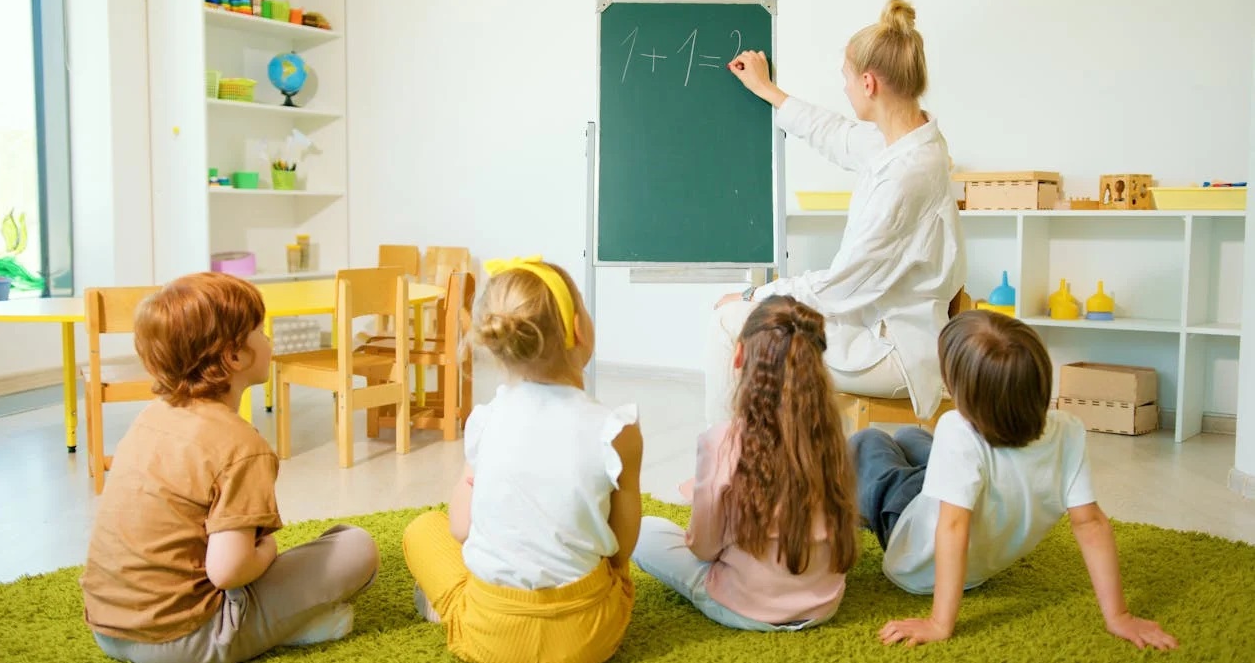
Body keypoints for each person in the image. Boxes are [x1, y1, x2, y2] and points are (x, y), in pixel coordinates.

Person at [81, 272, 379, 663]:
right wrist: (268, 547)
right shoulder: (241, 445)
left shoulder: (150, 417)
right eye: (261, 330)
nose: (268, 339)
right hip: (183, 640)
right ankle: (283, 630)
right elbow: (229, 570)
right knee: (356, 546)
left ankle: (276, 625)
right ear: (234, 356)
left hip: (106, 628)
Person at [854, 310, 1178, 650]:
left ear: (961, 393)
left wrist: (939, 622)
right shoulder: (1068, 429)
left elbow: (951, 528)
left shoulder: (956, 429)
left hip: (913, 558)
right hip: (978, 560)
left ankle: (871, 502)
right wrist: (1119, 615)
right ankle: (913, 456)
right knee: (910, 436)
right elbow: (1091, 525)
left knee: (870, 443)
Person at [710, 0, 965, 427]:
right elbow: (837, 134)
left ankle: (723, 469)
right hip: (887, 325)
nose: (844, 87)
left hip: (891, 350)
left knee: (729, 320)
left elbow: (838, 288)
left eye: (846, 77)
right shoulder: (910, 140)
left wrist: (755, 294)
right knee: (755, 318)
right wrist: (768, 91)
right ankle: (761, 461)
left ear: (868, 84)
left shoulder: (905, 176)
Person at [402, 256, 643, 663]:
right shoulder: (618, 431)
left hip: (493, 638)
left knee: (424, 530)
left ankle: (442, 608)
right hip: (589, 637)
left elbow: (461, 528)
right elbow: (621, 550)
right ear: (580, 330)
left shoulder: (485, 422)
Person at [634, 296, 859, 631]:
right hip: (824, 603)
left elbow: (704, 548)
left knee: (643, 531)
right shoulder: (833, 436)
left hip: (744, 605)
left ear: (739, 355)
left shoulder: (721, 441)